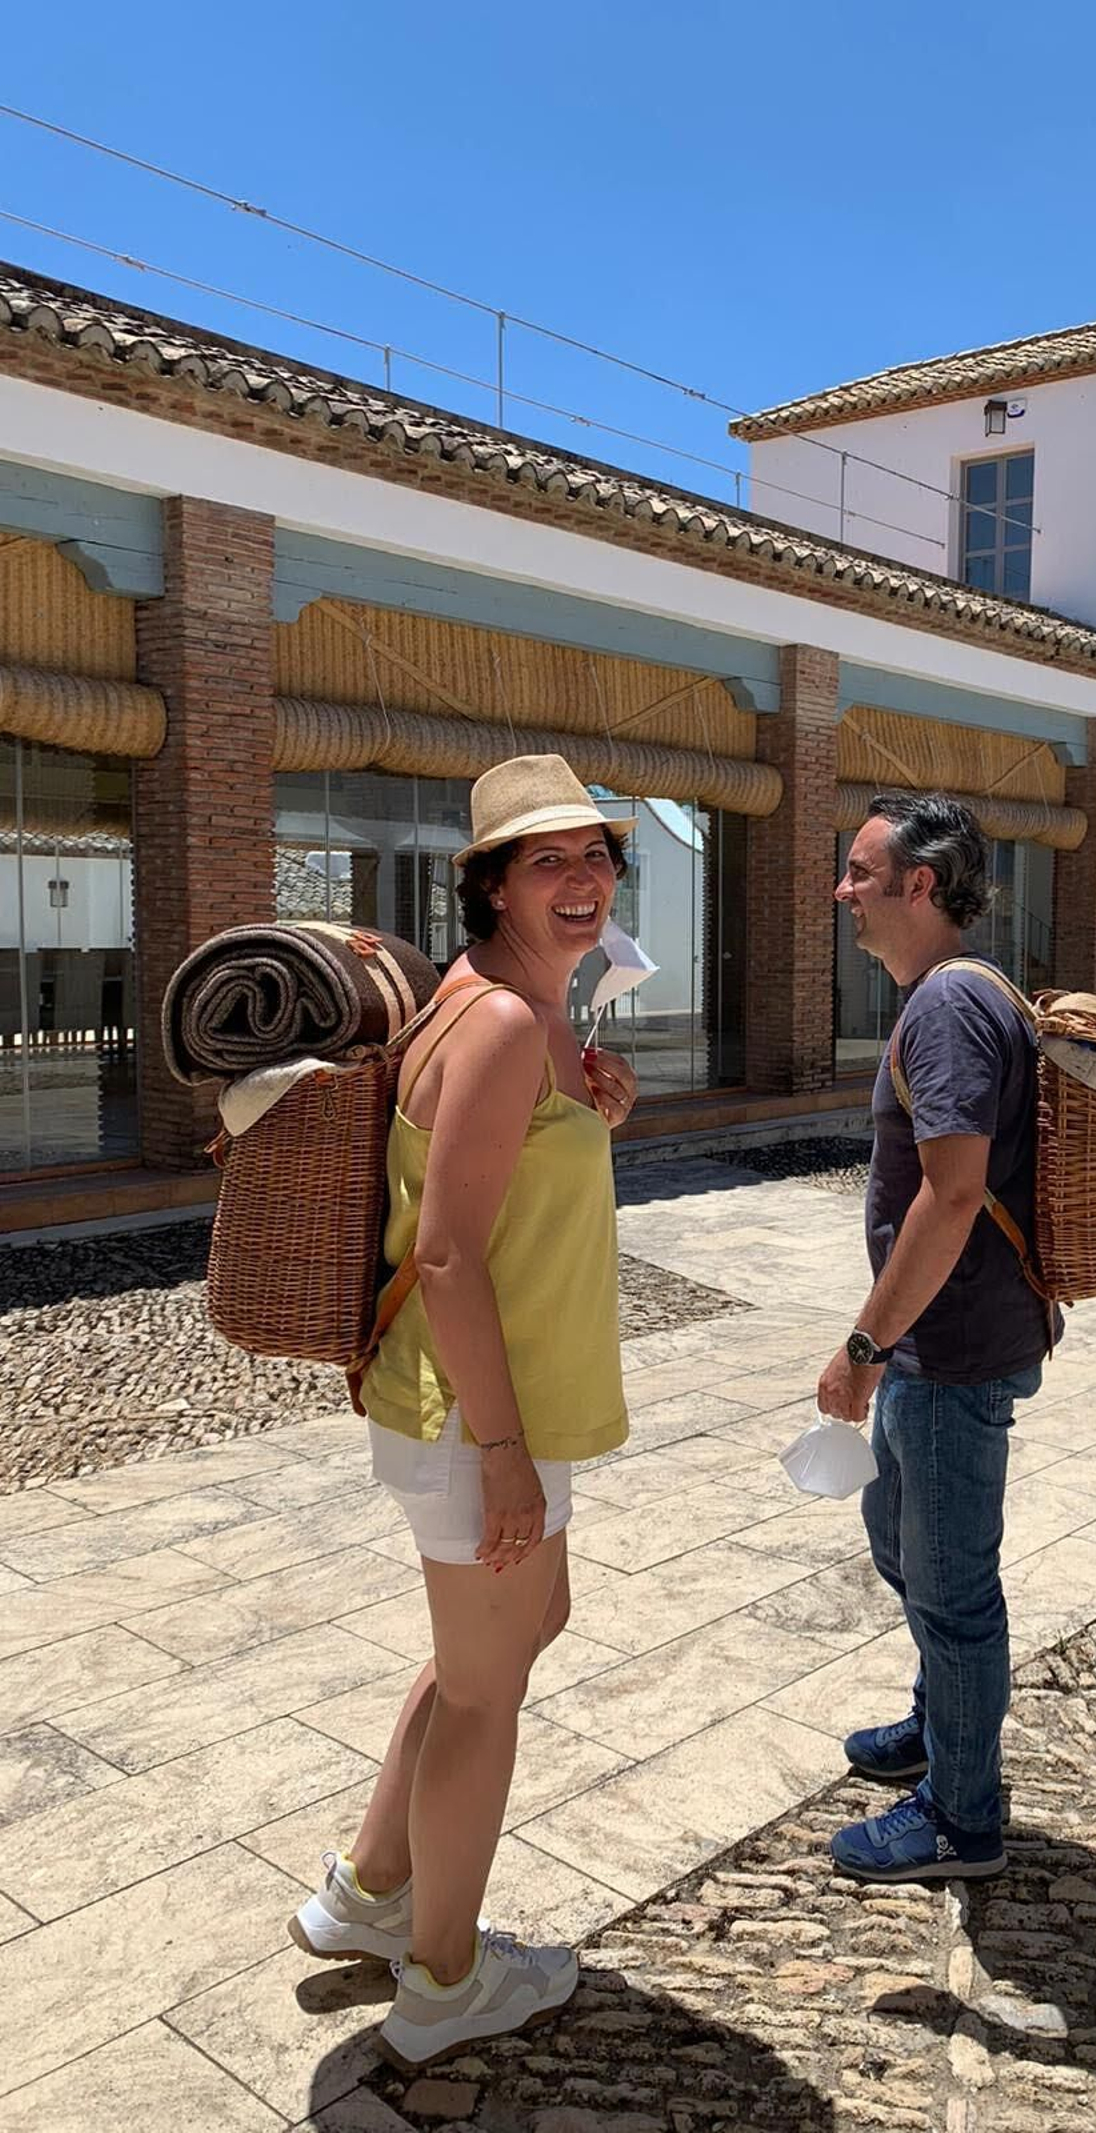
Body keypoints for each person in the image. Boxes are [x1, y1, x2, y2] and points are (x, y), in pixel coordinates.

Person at [289, 756, 639, 2068]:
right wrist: (502, 1459)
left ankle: (367, 1893)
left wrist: (599, 1102)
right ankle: (444, 1979)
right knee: (487, 1690)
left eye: (598, 855)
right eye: (548, 860)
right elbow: (444, 1255)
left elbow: (523, 1153)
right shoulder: (496, 1022)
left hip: (497, 1403)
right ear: (489, 882)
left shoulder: (514, 1008)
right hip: (473, 1413)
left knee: (510, 1632)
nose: (585, 878)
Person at [817, 791, 1058, 1884]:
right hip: (943, 1343)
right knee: (903, 1545)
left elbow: (952, 1193)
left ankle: (963, 1816)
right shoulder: (956, 994)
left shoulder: (947, 1008)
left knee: (954, 1588)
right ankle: (936, 1726)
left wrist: (863, 1346)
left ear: (920, 885)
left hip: (950, 1348)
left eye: (860, 873)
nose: (842, 890)